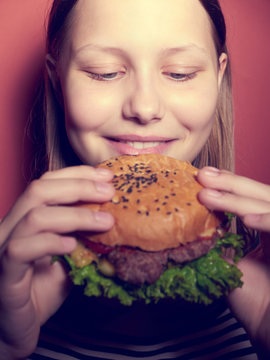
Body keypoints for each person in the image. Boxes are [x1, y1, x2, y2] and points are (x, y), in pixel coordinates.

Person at [0, 0, 269, 359]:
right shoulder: (13, 287)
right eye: (104, 71)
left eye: (180, 73)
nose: (143, 108)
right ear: (57, 79)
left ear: (218, 79)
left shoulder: (258, 290)